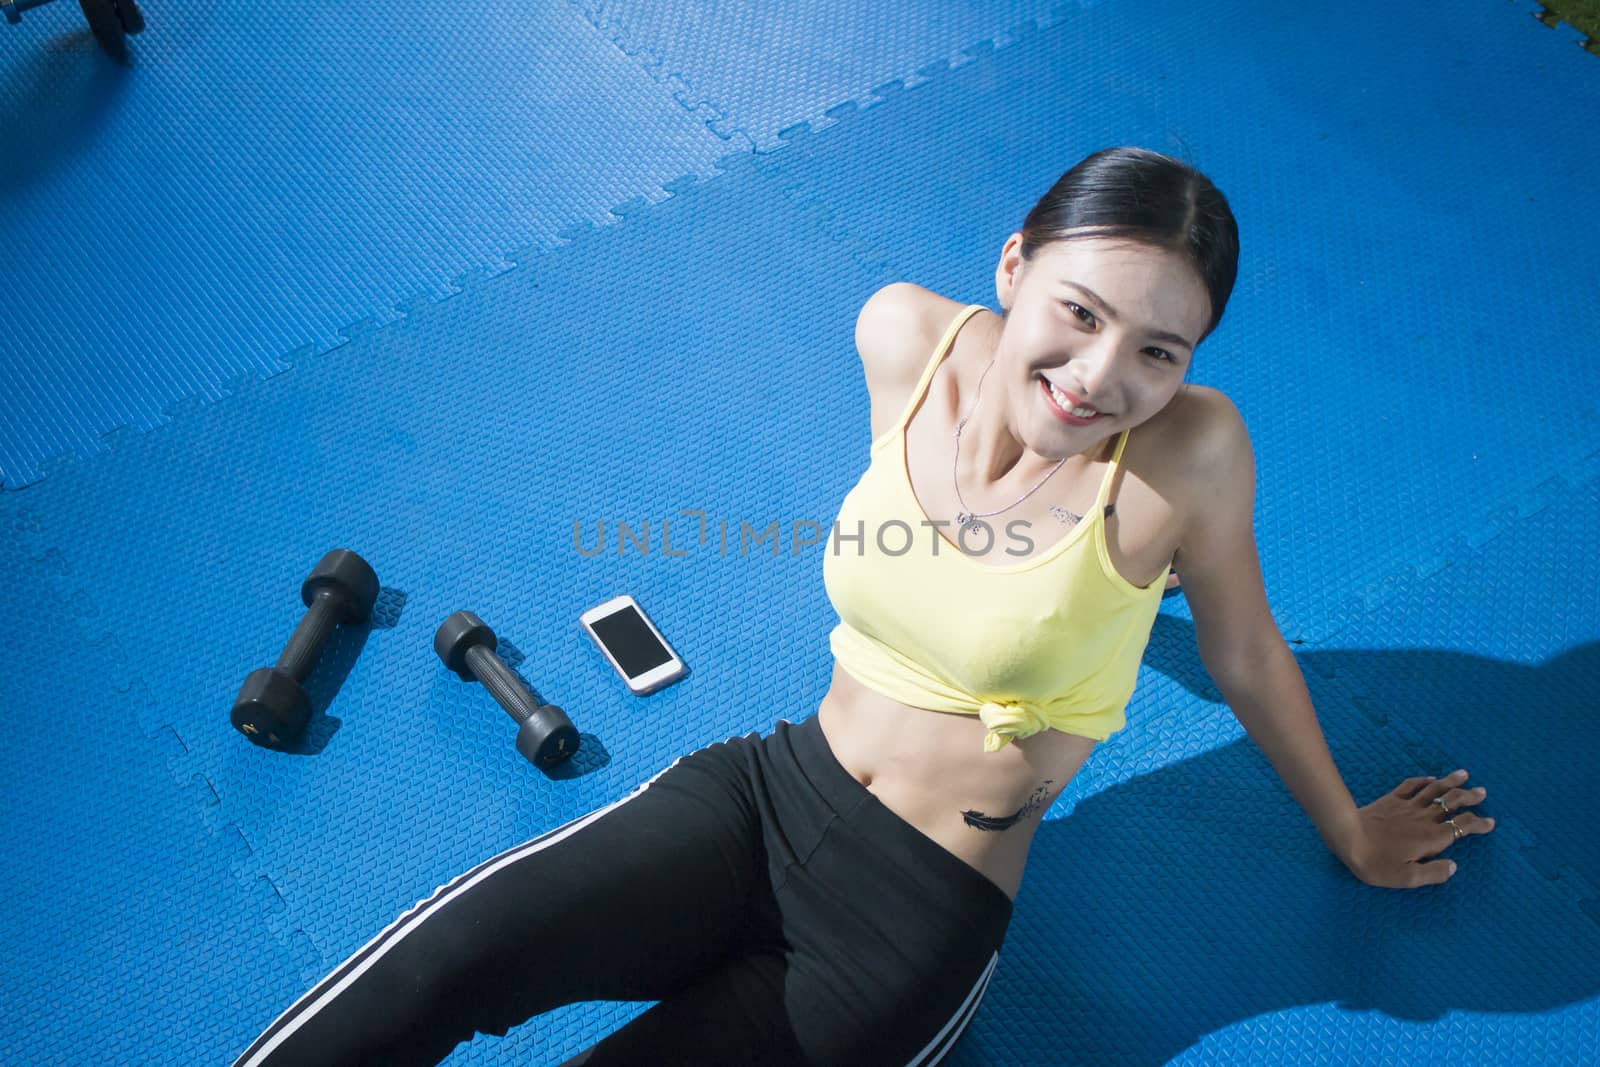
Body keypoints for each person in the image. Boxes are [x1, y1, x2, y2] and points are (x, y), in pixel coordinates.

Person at [231, 146, 1494, 1067]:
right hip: (763, 793)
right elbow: (954, 550)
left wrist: (1347, 828)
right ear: (1015, 261)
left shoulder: (1190, 455)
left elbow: (1244, 647)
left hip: (909, 921)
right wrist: (1071, 609)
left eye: (1160, 350)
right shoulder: (904, 337)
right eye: (1080, 311)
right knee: (440, 964)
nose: (1103, 374)